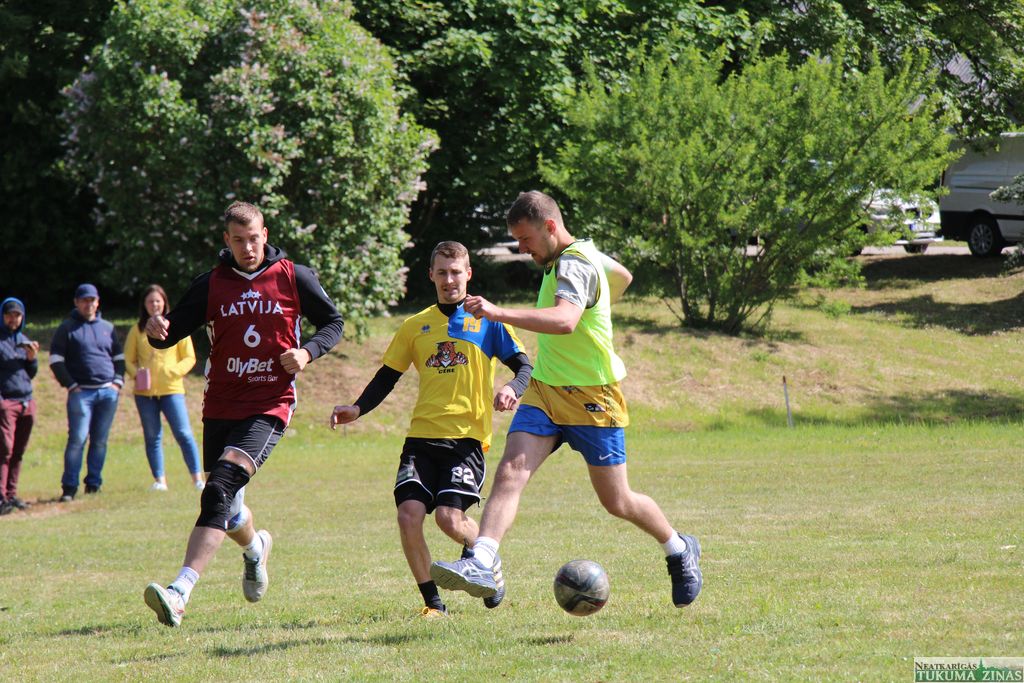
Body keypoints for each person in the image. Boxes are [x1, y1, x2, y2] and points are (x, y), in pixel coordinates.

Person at [431, 191, 702, 609]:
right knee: (512, 470)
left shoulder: (575, 263)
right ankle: (482, 560)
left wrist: (498, 312)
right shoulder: (578, 255)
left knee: (618, 501)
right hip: (545, 389)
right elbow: (622, 276)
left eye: (525, 239)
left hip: (593, 394)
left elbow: (564, 320)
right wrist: (601, 303)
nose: (522, 249)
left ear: (550, 227)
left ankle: (679, 548)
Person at [142, 201, 343, 628]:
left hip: (269, 403)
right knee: (228, 508)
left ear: (265, 235)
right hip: (220, 406)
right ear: (226, 241)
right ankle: (255, 549)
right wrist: (155, 331)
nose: (248, 248)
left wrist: (307, 352)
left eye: (254, 239)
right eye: (239, 241)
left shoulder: (294, 276)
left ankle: (179, 592)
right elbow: (170, 331)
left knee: (217, 489)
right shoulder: (211, 284)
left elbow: (333, 323)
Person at [330, 241, 532, 618]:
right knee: (408, 515)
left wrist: (511, 388)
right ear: (431, 276)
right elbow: (387, 376)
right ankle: (433, 605)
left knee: (448, 519)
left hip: (466, 438)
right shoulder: (414, 326)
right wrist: (356, 408)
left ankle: (486, 559)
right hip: (420, 438)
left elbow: (524, 366)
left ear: (468, 274)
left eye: (456, 272)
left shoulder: (488, 320)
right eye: (442, 273)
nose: (449, 280)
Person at [125, 284, 205, 492]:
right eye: (150, 301)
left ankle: (198, 479)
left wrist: (173, 371)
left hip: (172, 389)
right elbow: (128, 359)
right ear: (144, 305)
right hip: (145, 393)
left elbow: (189, 357)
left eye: (158, 301)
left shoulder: (177, 325)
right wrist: (137, 375)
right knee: (152, 437)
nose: (154, 304)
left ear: (164, 302)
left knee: (184, 434)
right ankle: (160, 481)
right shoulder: (137, 330)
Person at [49, 283, 124, 501]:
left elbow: (119, 358)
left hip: (108, 393)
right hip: (81, 394)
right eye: (84, 300)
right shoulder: (66, 328)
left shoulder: (107, 328)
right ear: (76, 302)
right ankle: (69, 487)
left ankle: (93, 484)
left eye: (92, 300)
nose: (88, 304)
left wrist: (117, 383)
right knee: (78, 439)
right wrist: (71, 385)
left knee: (100, 441)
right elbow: (55, 360)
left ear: (97, 302)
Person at [0, 298, 39, 515]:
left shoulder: (24, 341)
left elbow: (30, 374)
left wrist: (32, 359)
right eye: (9, 315)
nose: (13, 319)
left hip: (26, 401)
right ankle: (1, 497)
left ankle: (11, 494)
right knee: (4, 450)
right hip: (7, 402)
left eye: (17, 315)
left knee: (18, 451)